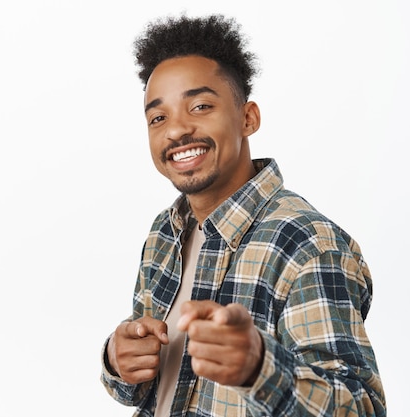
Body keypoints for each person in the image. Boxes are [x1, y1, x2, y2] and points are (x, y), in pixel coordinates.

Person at [100, 13, 386, 417]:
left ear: (248, 118)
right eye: (158, 117)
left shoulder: (307, 245)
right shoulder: (165, 232)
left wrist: (258, 368)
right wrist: (117, 361)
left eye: (200, 106)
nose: (176, 131)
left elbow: (362, 408)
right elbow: (142, 386)